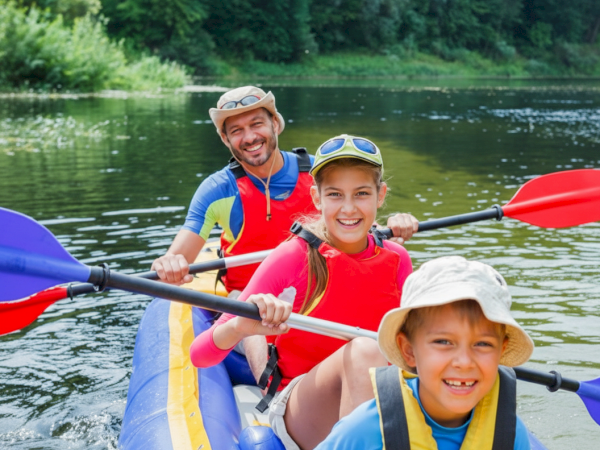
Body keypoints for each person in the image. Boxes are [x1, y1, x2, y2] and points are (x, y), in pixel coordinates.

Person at [190, 135, 415, 450]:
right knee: (364, 350)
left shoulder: (397, 259)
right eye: (335, 194)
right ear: (317, 197)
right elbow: (199, 355)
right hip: (301, 406)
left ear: (380, 196)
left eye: (361, 194)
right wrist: (241, 326)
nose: (348, 208)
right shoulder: (293, 256)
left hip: (378, 394)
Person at [151, 86, 418, 296]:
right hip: (248, 300)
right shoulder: (218, 190)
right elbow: (177, 257)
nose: (249, 137)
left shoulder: (318, 171)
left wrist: (394, 226)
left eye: (257, 124)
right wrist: (167, 264)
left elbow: (358, 220)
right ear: (225, 139)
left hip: (321, 288)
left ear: (275, 125)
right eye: (236, 130)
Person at [315, 256, 535, 450]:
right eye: (443, 341)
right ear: (408, 351)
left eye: (483, 344)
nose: (464, 362)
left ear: (501, 351)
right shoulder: (364, 430)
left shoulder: (509, 432)